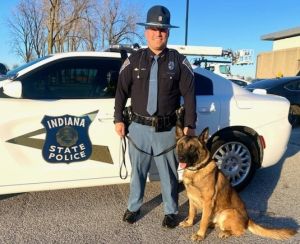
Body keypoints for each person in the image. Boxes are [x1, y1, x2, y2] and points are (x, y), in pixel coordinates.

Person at [114, 5, 196, 228]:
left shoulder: (178, 61)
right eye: (153, 28)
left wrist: (190, 125)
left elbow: (189, 94)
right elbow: (121, 90)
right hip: (138, 127)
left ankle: (171, 211)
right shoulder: (134, 60)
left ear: (168, 33)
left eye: (163, 29)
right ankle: (133, 206)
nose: (158, 33)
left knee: (169, 175)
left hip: (166, 129)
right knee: (137, 172)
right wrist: (118, 119)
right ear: (146, 31)